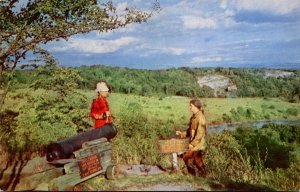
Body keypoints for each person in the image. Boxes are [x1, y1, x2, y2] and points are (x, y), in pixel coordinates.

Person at [176, 98, 207, 176]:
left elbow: (200, 133)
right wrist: (181, 134)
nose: (189, 107)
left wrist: (192, 144)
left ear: (196, 106)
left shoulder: (200, 117)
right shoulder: (194, 117)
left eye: (191, 106)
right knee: (198, 161)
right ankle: (202, 175)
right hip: (195, 143)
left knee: (186, 157)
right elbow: (190, 130)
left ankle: (193, 175)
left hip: (198, 144)